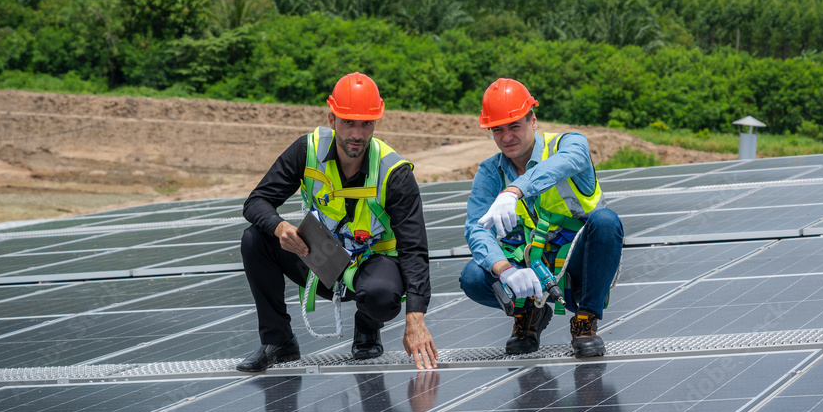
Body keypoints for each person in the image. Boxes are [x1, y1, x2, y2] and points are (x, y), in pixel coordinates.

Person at [237, 71, 438, 372]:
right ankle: (279, 341)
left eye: (365, 124)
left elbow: (414, 249)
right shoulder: (308, 150)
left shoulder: (393, 171)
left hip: (373, 264)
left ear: (375, 123)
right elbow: (256, 202)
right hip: (321, 259)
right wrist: (280, 227)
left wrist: (416, 317)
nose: (357, 134)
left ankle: (368, 325)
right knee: (255, 239)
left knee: (381, 297)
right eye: (348, 123)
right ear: (332, 120)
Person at [460, 78, 624, 358]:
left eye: (515, 126)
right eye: (497, 130)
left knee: (607, 221)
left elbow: (567, 162)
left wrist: (514, 190)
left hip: (579, 268)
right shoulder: (489, 173)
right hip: (529, 269)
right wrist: (505, 270)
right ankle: (529, 314)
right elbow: (477, 230)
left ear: (533, 120)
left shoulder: (569, 144)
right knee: (473, 276)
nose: (507, 137)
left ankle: (585, 320)